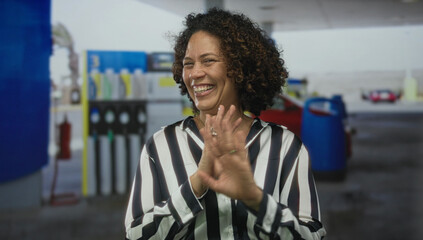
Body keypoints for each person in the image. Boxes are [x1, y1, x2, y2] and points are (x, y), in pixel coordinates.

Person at [125, 8, 326, 239]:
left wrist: (256, 201)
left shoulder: (285, 146)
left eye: (208, 61)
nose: (195, 73)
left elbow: (313, 236)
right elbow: (135, 235)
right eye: (188, 64)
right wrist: (197, 184)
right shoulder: (160, 147)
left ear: (240, 68)